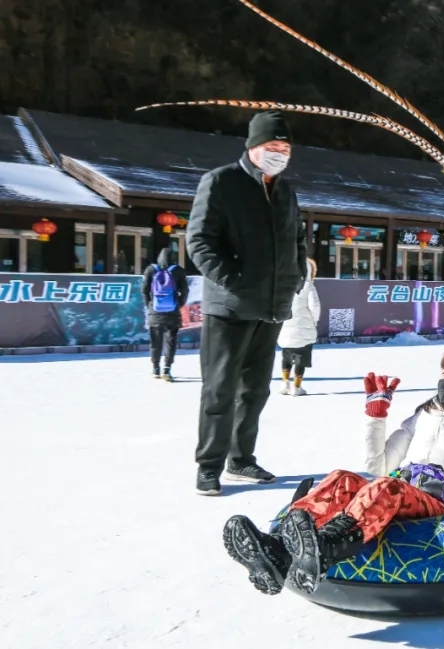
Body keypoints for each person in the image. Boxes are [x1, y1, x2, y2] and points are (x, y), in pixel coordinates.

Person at [221, 346, 444, 595]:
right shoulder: (423, 417)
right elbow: (379, 468)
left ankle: (328, 548)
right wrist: (375, 418)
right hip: (402, 488)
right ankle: (277, 548)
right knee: (342, 479)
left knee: (388, 488)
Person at [187, 110, 307, 496]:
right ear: (253, 148)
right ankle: (209, 465)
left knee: (255, 391)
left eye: (285, 148)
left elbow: (297, 241)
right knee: (219, 389)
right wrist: (233, 280)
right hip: (230, 307)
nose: (280, 154)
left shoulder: (286, 191)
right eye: (273, 147)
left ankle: (241, 459)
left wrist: (296, 274)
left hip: (272, 306)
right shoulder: (221, 182)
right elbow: (199, 241)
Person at [141, 248, 189, 381]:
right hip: (172, 312)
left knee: (155, 342)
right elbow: (185, 291)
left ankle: (155, 369)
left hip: (155, 311)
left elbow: (144, 290)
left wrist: (150, 305)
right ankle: (167, 370)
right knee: (171, 341)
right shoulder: (178, 270)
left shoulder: (151, 269)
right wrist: (178, 304)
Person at [278, 258, 321, 396]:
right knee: (301, 359)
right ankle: (297, 387)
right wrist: (314, 321)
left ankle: (285, 383)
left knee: (286, 356)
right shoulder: (308, 286)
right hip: (304, 328)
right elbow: (315, 307)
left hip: (285, 326)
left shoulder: (283, 285)